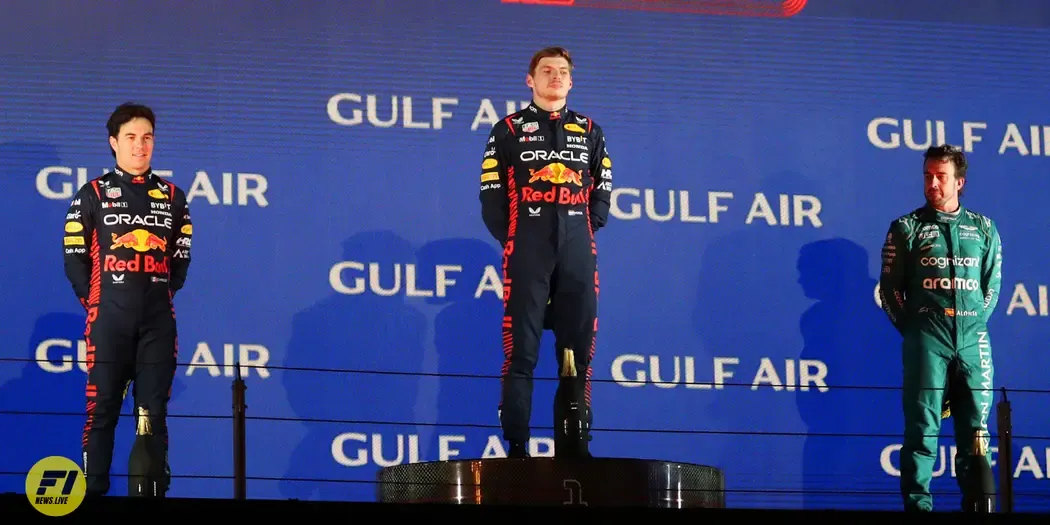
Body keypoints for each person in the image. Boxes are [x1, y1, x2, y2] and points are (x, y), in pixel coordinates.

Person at [478, 46, 613, 459]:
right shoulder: (508, 130)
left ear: (571, 81)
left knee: (578, 352)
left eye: (562, 72)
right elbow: (491, 198)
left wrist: (580, 229)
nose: (555, 77)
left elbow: (601, 193)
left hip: (577, 250)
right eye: (546, 71)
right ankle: (517, 446)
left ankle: (575, 447)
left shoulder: (589, 129)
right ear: (530, 80)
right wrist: (519, 240)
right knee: (522, 350)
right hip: (528, 249)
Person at [62, 102, 193, 497]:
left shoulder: (173, 197)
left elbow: (180, 265)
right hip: (107, 322)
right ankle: (93, 495)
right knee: (101, 412)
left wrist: (149, 296)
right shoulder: (93, 194)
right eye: (132, 138)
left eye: (148, 138)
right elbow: (74, 260)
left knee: (151, 415)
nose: (140, 147)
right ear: (114, 143)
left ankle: (150, 496)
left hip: (157, 323)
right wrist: (102, 305)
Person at [879, 144, 1003, 512]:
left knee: (977, 435)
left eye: (941, 176)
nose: (932, 183)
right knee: (921, 432)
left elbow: (991, 289)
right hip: (926, 342)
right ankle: (918, 510)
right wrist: (918, 333)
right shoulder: (906, 228)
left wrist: (972, 326)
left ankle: (980, 508)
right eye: (927, 176)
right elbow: (888, 292)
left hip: (973, 341)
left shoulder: (984, 228)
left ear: (959, 182)